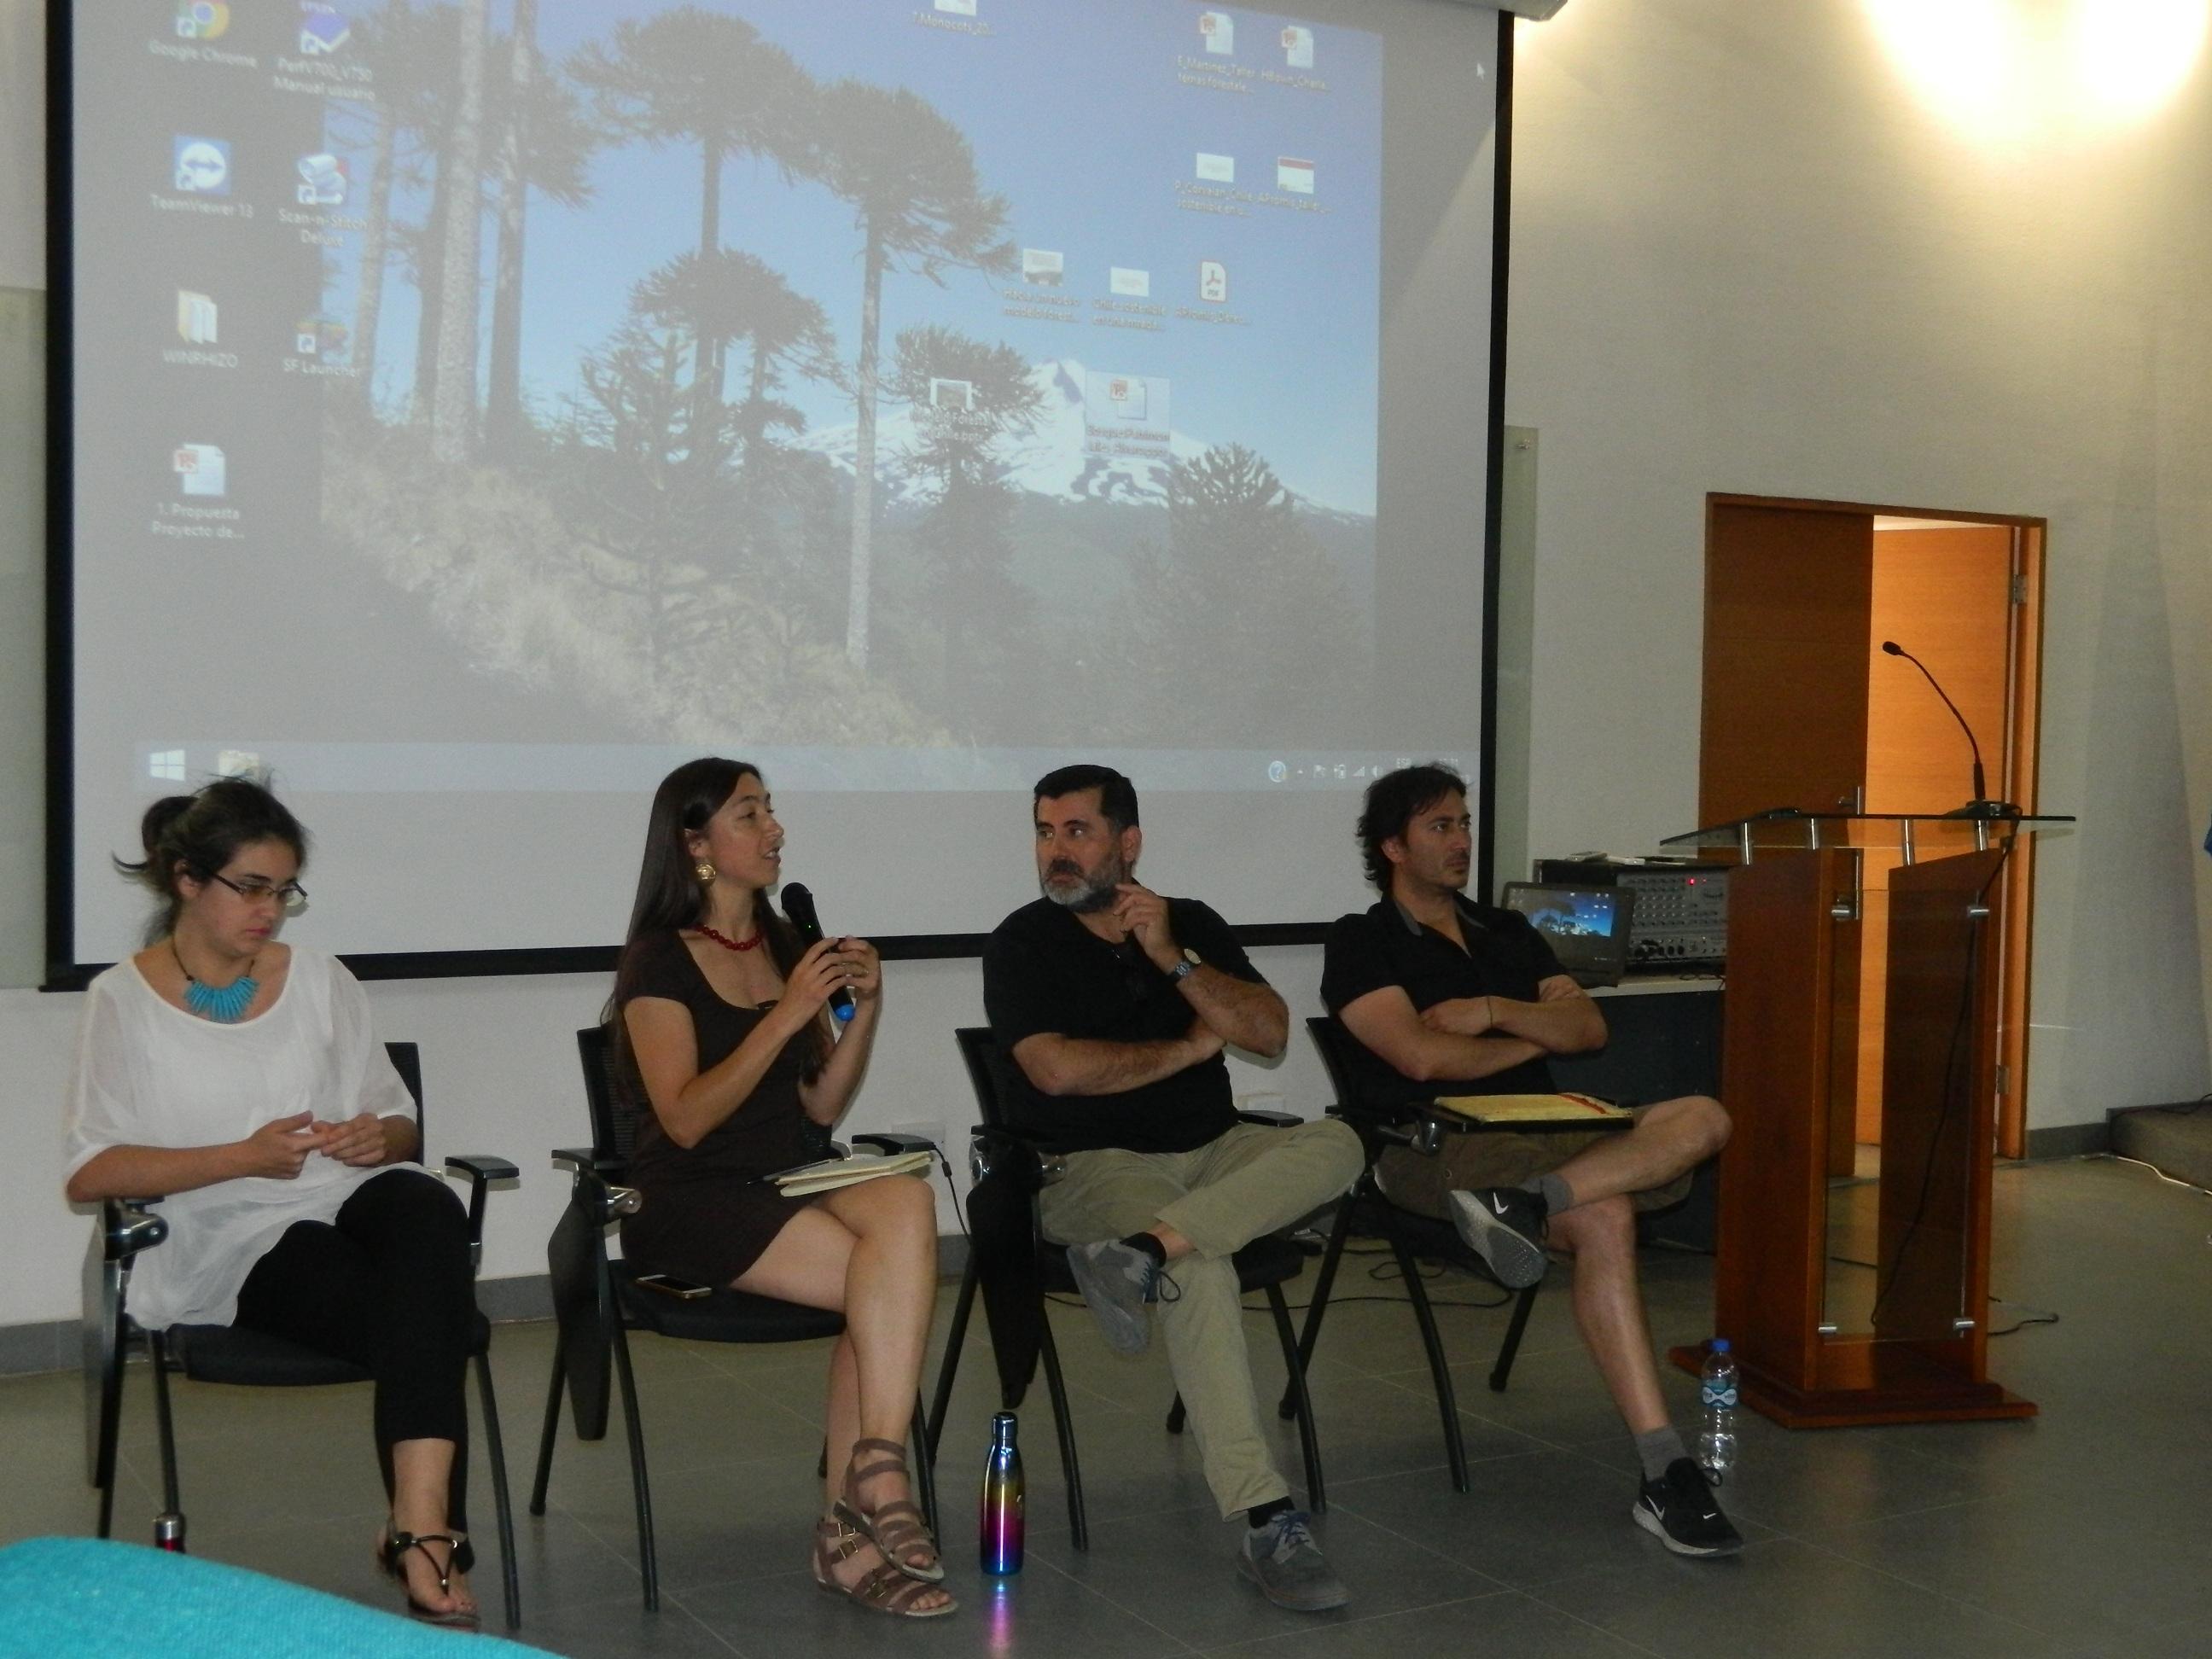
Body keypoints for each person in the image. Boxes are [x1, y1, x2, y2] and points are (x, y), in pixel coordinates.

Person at [63, 777, 486, 1626]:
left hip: (349, 1192)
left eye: (284, 891)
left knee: (427, 1209)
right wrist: (242, 1158)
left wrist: (380, 1138)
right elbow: (91, 1173)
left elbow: (398, 1121)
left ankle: (417, 1523)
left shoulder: (322, 979)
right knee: (421, 1307)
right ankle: (431, 1534)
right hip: (228, 1237)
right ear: (188, 879)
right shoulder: (123, 1000)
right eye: (251, 888)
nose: (270, 911)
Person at [1320, 763, 1742, 1557]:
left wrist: (1487, 1012)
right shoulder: (1361, 941)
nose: (1461, 841)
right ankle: (1665, 1468)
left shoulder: (1504, 932)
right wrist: (1527, 1033)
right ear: (1393, 848)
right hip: (1435, 1146)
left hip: (1551, 1136)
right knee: (1606, 1210)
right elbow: (1420, 1061)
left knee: (1704, 1114)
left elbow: (1588, 1033)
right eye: (1440, 827)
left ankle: (1532, 1200)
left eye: (1464, 823)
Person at [981, 764, 1365, 1612]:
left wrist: (1177, 960)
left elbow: (1266, 1034)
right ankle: (1266, 1517)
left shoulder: (1189, 924)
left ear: (1130, 843)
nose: (1056, 853)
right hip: (1088, 1170)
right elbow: (1054, 1071)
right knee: (1201, 1267)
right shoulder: (1021, 943)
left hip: (1215, 1151)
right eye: (1045, 833)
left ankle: (1145, 1252)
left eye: (1076, 832)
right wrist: (1191, 1050)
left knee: (1339, 1142)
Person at [610, 758, 951, 1619]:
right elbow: (684, 1120)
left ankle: (870, 1473)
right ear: (696, 844)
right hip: (686, 1198)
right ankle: (853, 1523)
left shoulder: (785, 944)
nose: (774, 831)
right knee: (884, 1288)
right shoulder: (659, 964)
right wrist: (792, 1014)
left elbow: (821, 1104)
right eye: (749, 815)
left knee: (907, 1203)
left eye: (770, 811)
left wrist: (864, 1008)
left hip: (787, 1178)